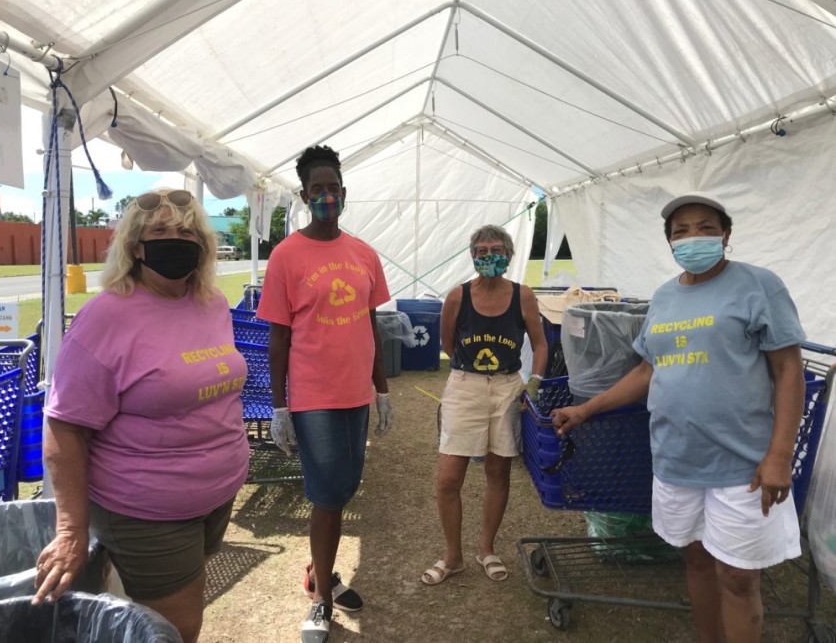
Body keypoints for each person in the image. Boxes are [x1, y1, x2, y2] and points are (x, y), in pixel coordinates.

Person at [551, 192, 806, 643]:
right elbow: (647, 370)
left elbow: (788, 369)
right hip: (676, 460)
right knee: (696, 560)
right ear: (669, 241)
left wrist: (779, 455)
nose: (693, 238)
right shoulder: (666, 296)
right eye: (681, 231)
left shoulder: (759, 285)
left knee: (738, 578)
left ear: (726, 235)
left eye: (706, 228)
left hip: (742, 466)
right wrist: (586, 408)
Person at [32, 189, 249, 643]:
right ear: (134, 246)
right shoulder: (105, 316)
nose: (177, 240)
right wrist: (71, 529)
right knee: (177, 629)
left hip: (217, 493)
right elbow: (65, 427)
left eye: (188, 232)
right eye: (161, 231)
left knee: (182, 600)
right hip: (148, 510)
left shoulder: (210, 302)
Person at [256, 145, 393, 643]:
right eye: (317, 190)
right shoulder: (286, 255)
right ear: (304, 196)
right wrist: (279, 406)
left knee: (345, 487)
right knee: (328, 494)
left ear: (344, 193)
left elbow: (371, 324)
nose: (327, 196)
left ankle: (319, 570)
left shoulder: (364, 253)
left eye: (333, 188)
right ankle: (321, 599)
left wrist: (382, 390)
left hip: (356, 393)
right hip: (314, 397)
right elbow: (278, 337)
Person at [422, 224, 548, 586]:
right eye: (481, 251)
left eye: (496, 250)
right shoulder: (457, 297)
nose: (488, 256)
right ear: (472, 255)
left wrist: (534, 381)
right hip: (466, 386)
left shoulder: (523, 296)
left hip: (507, 387)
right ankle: (453, 556)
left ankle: (486, 548)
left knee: (498, 472)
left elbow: (540, 344)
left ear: (509, 255)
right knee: (448, 479)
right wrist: (473, 374)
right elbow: (448, 344)